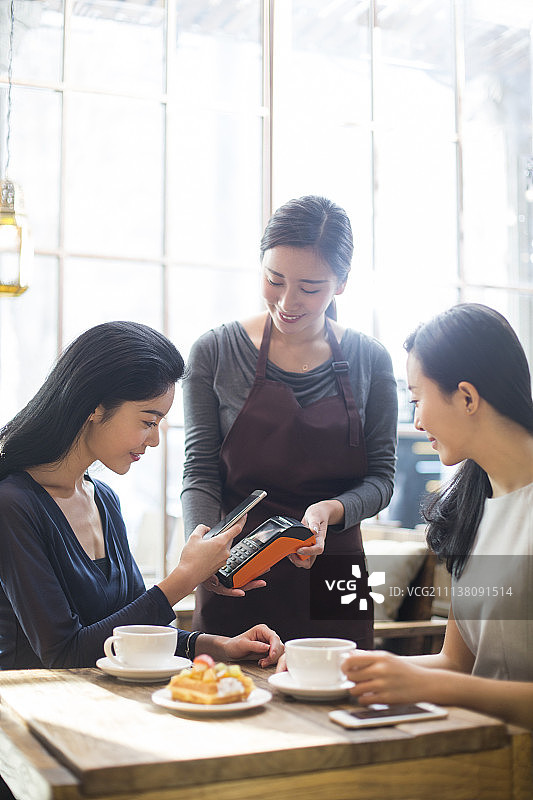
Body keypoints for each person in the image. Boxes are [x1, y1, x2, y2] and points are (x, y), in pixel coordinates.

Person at [0, 321, 283, 670]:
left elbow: (128, 629)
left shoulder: (102, 499)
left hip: (98, 706)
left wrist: (216, 646)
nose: (154, 441)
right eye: (149, 422)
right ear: (96, 407)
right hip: (28, 712)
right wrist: (186, 576)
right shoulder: (12, 504)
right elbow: (65, 654)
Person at [181, 195, 398, 644]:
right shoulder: (215, 352)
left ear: (341, 284)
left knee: (338, 701)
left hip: (335, 568)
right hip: (237, 568)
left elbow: (381, 480)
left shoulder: (370, 359)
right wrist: (201, 551)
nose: (287, 301)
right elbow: (200, 471)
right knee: (228, 697)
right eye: (274, 279)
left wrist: (328, 511)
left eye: (311, 287)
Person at [340, 303, 533, 729]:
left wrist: (426, 686)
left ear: (466, 397)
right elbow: (456, 664)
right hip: (484, 755)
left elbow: (454, 683)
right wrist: (351, 669)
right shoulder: (471, 505)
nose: (417, 420)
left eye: (416, 399)